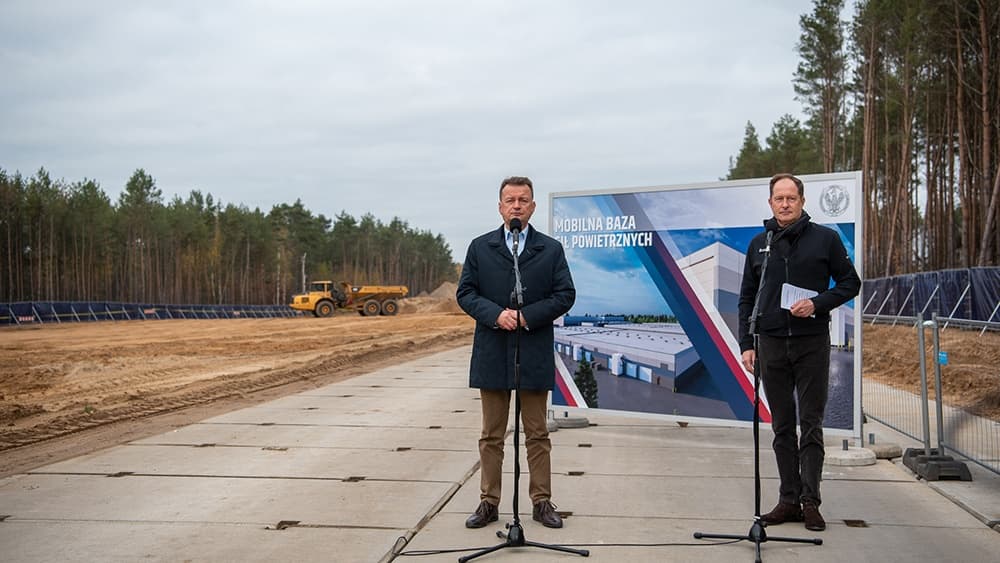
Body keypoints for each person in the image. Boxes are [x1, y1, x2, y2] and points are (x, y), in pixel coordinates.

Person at [737, 172, 860, 532]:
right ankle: (788, 499)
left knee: (811, 426)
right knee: (781, 427)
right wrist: (747, 343)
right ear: (771, 202)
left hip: (810, 344)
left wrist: (818, 304)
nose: (785, 204)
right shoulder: (760, 243)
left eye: (792, 198)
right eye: (779, 198)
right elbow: (746, 298)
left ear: (803, 202)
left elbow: (851, 283)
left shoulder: (826, 239)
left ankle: (810, 502)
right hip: (771, 344)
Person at [456, 176, 576, 529]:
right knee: (491, 435)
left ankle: (541, 502)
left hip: (533, 350)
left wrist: (527, 316)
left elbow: (564, 294)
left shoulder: (550, 249)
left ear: (533, 206)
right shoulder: (481, 247)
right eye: (510, 200)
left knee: (537, 433)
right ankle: (488, 501)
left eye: (523, 200)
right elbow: (465, 293)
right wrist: (496, 314)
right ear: (500, 206)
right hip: (493, 351)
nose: (517, 206)